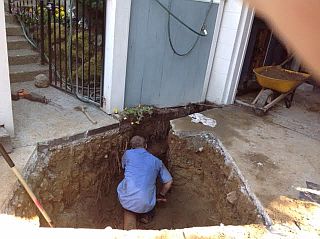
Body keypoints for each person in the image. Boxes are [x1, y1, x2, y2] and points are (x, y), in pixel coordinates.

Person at [117, 136, 173, 230]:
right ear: (145, 145)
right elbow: (169, 181)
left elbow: (124, 166)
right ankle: (146, 215)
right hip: (146, 204)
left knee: (126, 181)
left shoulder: (128, 154)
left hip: (126, 200)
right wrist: (161, 195)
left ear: (131, 147)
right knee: (149, 191)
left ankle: (132, 211)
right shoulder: (157, 161)